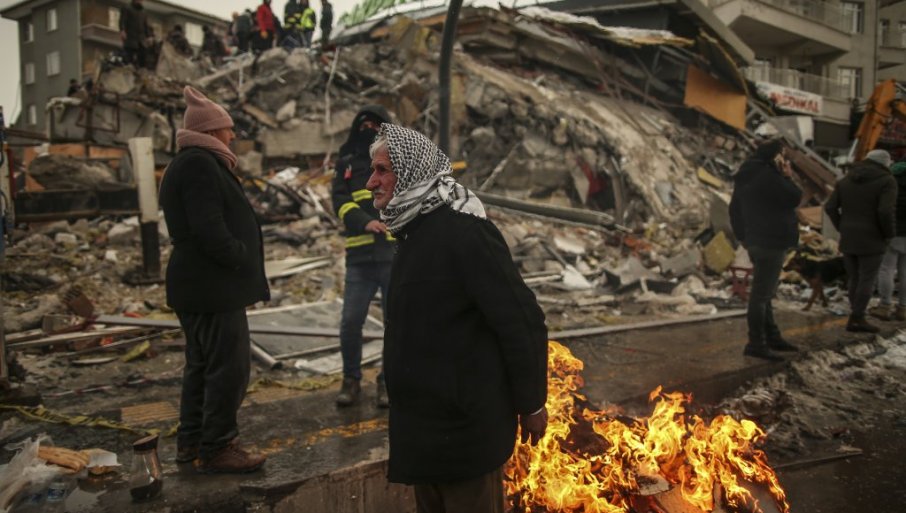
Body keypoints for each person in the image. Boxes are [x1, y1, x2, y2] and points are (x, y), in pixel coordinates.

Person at [368, 124, 548, 512]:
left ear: (412, 171)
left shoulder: (467, 234)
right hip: (422, 437)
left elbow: (521, 320)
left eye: (382, 170)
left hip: (465, 435)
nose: (371, 182)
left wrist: (532, 403)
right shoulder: (411, 233)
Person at [158, 86, 269, 474]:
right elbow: (209, 228)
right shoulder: (199, 164)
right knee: (228, 369)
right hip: (211, 288)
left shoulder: (193, 162)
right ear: (210, 131)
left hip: (202, 287)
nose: (233, 135)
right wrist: (240, 256)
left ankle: (192, 444)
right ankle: (219, 446)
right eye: (227, 128)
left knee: (202, 367)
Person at [331, 105, 394, 407]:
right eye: (364, 123)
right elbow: (339, 201)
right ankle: (351, 380)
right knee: (350, 322)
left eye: (375, 124)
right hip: (359, 257)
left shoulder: (396, 161)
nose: (368, 127)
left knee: (395, 324)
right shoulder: (346, 162)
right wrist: (364, 222)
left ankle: (387, 383)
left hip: (393, 256)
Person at [729, 138, 802, 361]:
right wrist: (788, 176)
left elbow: (734, 208)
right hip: (772, 241)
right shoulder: (771, 177)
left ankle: (772, 336)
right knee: (761, 295)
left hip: (755, 241)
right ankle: (756, 343)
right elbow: (794, 197)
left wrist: (743, 237)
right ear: (775, 156)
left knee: (765, 292)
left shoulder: (746, 175)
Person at [826, 149, 898, 333]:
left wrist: (842, 226)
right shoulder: (887, 181)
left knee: (854, 278)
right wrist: (888, 233)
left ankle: (856, 314)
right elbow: (885, 211)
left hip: (849, 237)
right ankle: (857, 318)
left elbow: (830, 207)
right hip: (872, 238)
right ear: (885, 163)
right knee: (867, 279)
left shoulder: (845, 180)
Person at [871, 159, 906, 321]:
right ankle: (903, 308)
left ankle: (885, 306)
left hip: (893, 232)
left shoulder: (889, 181)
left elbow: (883, 208)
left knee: (886, 269)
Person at [119, 0, 152, 68]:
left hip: (141, 40)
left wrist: (149, 36)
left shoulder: (144, 11)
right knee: (128, 58)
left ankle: (141, 71)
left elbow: (146, 25)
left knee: (143, 57)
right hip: (130, 38)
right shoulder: (127, 8)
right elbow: (122, 20)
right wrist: (122, 30)